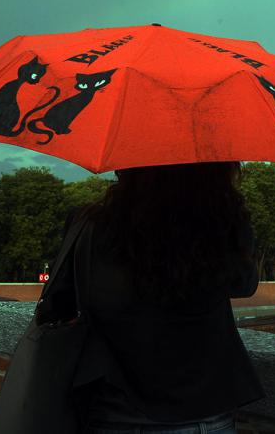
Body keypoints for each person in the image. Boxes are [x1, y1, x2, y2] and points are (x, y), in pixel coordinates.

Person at [39, 162, 263, 433]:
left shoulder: (91, 225)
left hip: (112, 410)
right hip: (202, 413)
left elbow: (55, 308)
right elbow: (244, 284)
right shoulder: (220, 224)